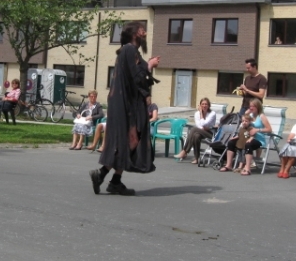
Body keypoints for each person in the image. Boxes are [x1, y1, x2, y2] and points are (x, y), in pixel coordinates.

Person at [89, 21, 159, 196]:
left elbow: (136, 73)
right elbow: (137, 76)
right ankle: (105, 175)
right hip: (125, 104)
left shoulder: (129, 52)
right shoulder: (129, 50)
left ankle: (114, 180)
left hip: (126, 102)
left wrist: (147, 65)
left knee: (130, 140)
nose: (145, 33)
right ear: (135, 34)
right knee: (131, 139)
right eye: (142, 30)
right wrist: (149, 66)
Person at [219, 99, 271, 175]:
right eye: (250, 106)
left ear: (258, 107)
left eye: (252, 106)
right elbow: (242, 127)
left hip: (258, 139)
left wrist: (257, 130)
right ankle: (229, 165)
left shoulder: (261, 116)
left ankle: (247, 168)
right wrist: (245, 114)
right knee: (231, 143)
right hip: (245, 137)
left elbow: (269, 129)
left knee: (248, 144)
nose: (250, 108)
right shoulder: (249, 116)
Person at [174, 97, 216, 163]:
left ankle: (184, 151)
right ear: (200, 105)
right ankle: (196, 158)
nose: (204, 106)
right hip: (200, 131)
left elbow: (203, 123)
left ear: (209, 105)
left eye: (206, 104)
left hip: (210, 133)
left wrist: (201, 114)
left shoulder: (212, 113)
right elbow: (199, 125)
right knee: (196, 136)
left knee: (194, 129)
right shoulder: (196, 114)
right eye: (202, 104)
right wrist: (203, 127)